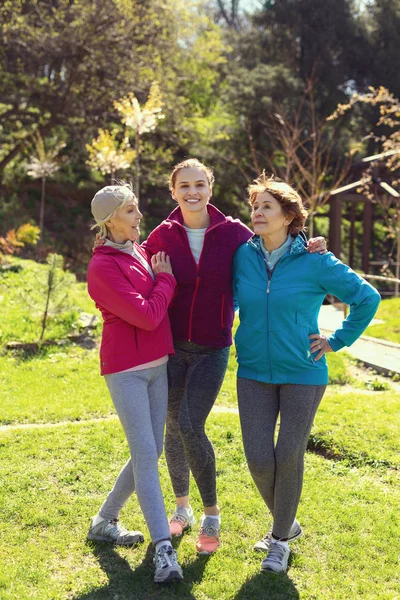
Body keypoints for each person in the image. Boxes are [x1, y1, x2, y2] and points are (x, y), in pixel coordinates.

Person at [140, 159, 327, 555]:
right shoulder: (161, 235)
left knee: (190, 423)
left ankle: (212, 513)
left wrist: (310, 243)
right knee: (173, 426)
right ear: (173, 191)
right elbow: (134, 268)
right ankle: (182, 506)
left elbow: (275, 243)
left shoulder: (234, 233)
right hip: (170, 347)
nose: (192, 192)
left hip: (213, 347)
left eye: (199, 184)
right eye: (183, 186)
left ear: (210, 188)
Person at [232, 173, 380, 573]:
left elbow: (367, 297)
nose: (257, 213)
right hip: (252, 372)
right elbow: (227, 296)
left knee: (289, 452)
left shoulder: (316, 260)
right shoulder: (243, 255)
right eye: (255, 206)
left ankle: (279, 540)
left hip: (303, 371)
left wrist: (338, 340)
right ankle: (288, 523)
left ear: (288, 216)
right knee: (259, 458)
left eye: (266, 207)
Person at [86, 183, 183, 584]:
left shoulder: (138, 251)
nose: (139, 216)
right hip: (126, 369)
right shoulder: (102, 267)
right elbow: (145, 316)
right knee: (146, 453)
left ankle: (104, 521)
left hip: (157, 364)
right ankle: (164, 550)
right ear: (111, 220)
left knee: (152, 449)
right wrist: (167, 281)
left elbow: (188, 223)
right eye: (131, 210)